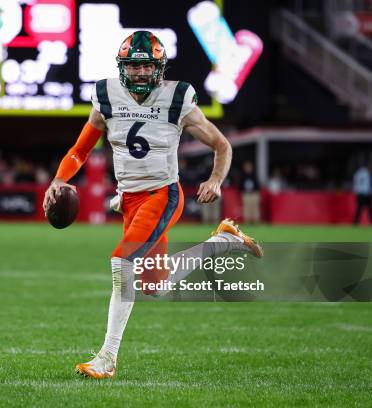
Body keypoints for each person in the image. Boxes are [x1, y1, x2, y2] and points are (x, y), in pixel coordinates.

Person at [42, 31, 263, 379]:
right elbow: (80, 150)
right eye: (134, 66)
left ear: (159, 67)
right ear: (122, 67)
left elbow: (222, 146)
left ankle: (107, 358)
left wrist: (215, 179)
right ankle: (224, 241)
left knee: (122, 262)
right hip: (129, 200)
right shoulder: (107, 96)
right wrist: (58, 178)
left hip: (162, 194)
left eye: (147, 66)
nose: (141, 73)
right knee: (154, 284)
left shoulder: (177, 98)